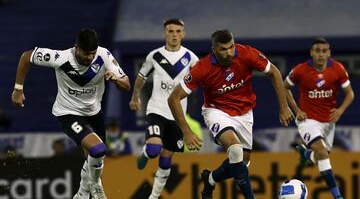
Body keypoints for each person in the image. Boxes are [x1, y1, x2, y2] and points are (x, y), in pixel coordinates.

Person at [168, 29, 294, 199]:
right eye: (223, 49)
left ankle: (210, 179)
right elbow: (174, 98)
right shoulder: (202, 68)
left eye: (231, 47)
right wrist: (186, 131)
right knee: (235, 149)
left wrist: (284, 107)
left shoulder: (247, 53)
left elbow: (275, 73)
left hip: (245, 113)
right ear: (213, 49)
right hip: (217, 111)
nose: (229, 53)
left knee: (242, 163)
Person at [11, 28, 131, 199]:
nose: (90, 58)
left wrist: (117, 80)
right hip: (68, 113)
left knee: (97, 156)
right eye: (86, 53)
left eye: (93, 53)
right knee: (97, 149)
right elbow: (26, 57)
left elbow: (126, 85)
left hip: (94, 113)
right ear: (76, 48)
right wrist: (18, 89)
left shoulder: (104, 55)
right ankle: (95, 185)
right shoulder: (60, 58)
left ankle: (82, 193)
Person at [129, 18, 199, 199]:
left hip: (177, 115)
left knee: (167, 159)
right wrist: (135, 95)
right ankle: (145, 153)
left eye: (178, 31)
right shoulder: (154, 56)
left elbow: (202, 81)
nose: (174, 35)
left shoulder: (191, 58)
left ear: (183, 34)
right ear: (164, 33)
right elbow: (141, 76)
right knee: (154, 149)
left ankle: (154, 197)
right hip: (157, 109)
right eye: (170, 31)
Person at [284, 37, 354, 199]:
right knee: (322, 152)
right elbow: (284, 86)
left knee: (322, 156)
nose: (321, 55)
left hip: (329, 121)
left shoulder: (337, 69)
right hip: (308, 120)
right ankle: (337, 196)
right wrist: (296, 110)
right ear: (311, 53)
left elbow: (350, 93)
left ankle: (306, 155)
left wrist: (341, 110)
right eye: (317, 51)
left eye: (324, 51)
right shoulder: (301, 70)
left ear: (329, 53)